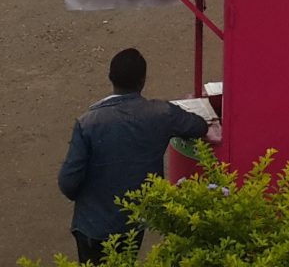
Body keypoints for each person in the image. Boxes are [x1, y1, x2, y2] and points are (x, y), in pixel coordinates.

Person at [57, 49, 211, 263]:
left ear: (110, 77)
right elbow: (199, 126)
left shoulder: (89, 122)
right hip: (132, 221)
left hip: (93, 224)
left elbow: (68, 183)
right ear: (143, 80)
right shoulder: (161, 113)